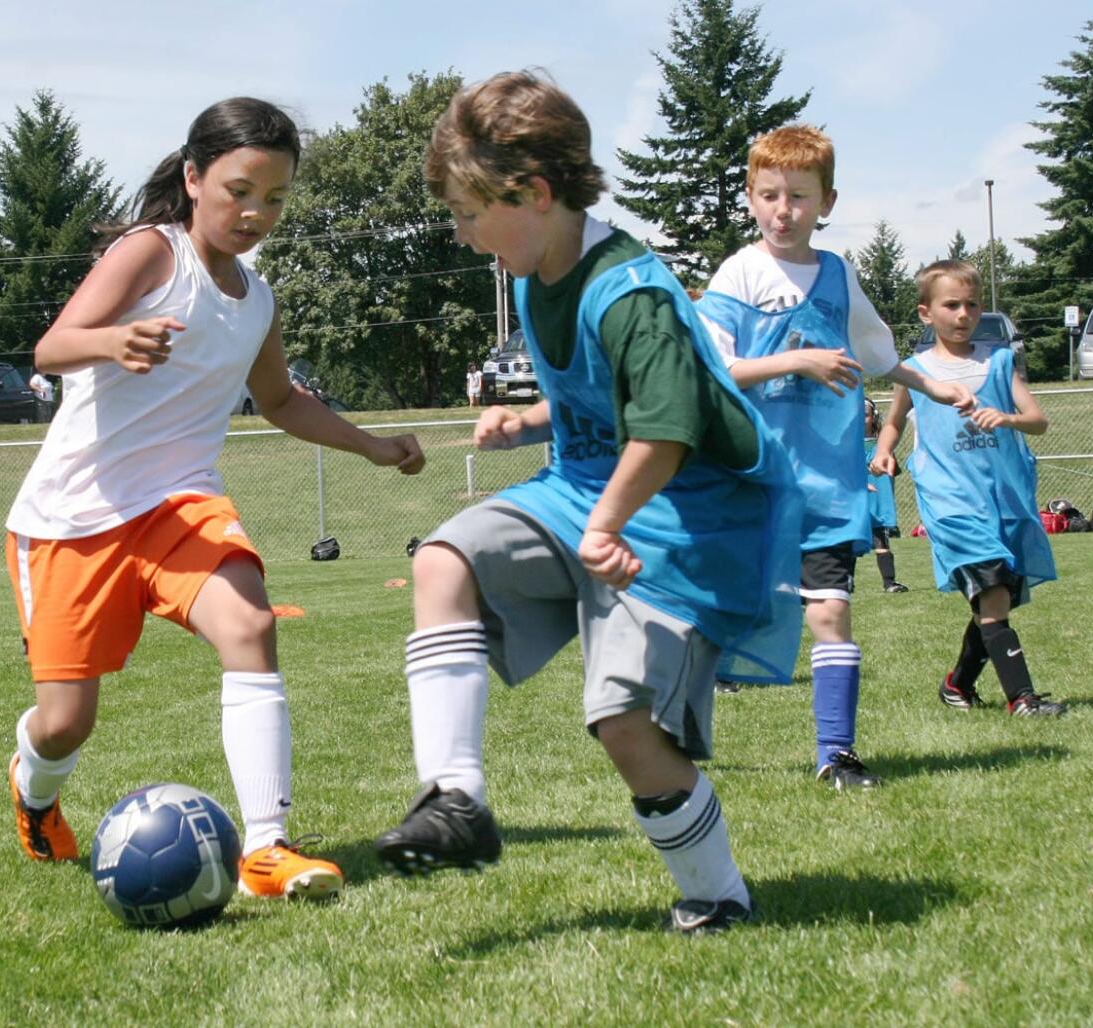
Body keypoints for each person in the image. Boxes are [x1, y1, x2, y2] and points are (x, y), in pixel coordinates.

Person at [374, 71, 803, 935]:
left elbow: (668, 432)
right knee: (442, 561)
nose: (462, 236)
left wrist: (606, 523)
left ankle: (717, 894)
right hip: (589, 493)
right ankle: (455, 798)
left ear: (531, 193)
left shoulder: (633, 292)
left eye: (466, 213)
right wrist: (529, 420)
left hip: (689, 520)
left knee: (623, 723)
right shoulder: (535, 277)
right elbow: (605, 406)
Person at [3, 97, 426, 900]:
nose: (256, 213)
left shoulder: (257, 300)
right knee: (66, 722)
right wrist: (110, 341)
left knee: (249, 622)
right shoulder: (149, 253)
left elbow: (281, 401)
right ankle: (34, 788)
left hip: (179, 505)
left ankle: (266, 848)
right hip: (72, 518)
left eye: (275, 198)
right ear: (194, 179)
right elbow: (52, 348)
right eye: (239, 191)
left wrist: (371, 446)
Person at [696, 125, 975, 788]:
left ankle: (835, 754)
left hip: (823, 480)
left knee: (830, 610)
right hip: (749, 478)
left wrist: (932, 384)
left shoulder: (837, 273)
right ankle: (672, 726)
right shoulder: (739, 271)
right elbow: (713, 369)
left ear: (827, 201)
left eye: (798, 195)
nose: (783, 210)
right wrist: (796, 359)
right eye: (769, 195)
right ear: (750, 197)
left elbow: (877, 354)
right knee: (713, 615)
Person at [871, 260, 1064, 716]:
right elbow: (894, 421)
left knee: (994, 600)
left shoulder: (999, 362)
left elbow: (1037, 420)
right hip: (951, 503)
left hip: (1004, 500)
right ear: (925, 312)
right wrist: (883, 452)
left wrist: (1008, 418)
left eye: (972, 304)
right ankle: (1023, 699)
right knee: (993, 592)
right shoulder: (914, 372)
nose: (963, 314)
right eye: (951, 304)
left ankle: (957, 685)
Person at [863, 398, 908, 593]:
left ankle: (889, 583)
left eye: (865, 414)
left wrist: (885, 457)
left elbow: (894, 469)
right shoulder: (846, 445)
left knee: (881, 542)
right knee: (845, 545)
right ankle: (843, 583)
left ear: (874, 418)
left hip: (876, 504)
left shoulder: (881, 446)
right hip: (853, 505)